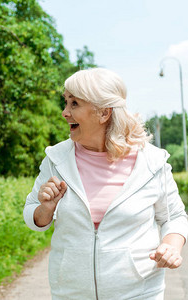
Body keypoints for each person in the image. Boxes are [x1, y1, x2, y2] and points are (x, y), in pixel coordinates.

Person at [24, 68, 188, 299]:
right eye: (66, 102)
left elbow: (175, 217)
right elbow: (32, 214)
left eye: (74, 104)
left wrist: (171, 245)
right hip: (70, 292)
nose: (64, 112)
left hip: (139, 292)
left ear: (103, 113)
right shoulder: (56, 159)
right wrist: (45, 209)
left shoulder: (151, 162)